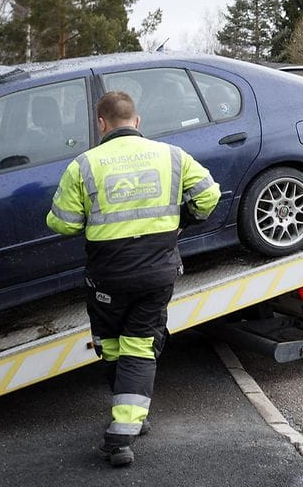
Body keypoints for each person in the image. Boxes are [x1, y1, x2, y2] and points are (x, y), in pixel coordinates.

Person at [46, 91, 220, 467]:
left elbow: (63, 222)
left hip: (107, 278)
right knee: (139, 347)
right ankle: (130, 415)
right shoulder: (172, 156)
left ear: (101, 124)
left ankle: (122, 431)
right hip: (156, 275)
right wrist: (180, 221)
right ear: (137, 122)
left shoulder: (84, 165)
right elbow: (209, 196)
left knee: (109, 344)